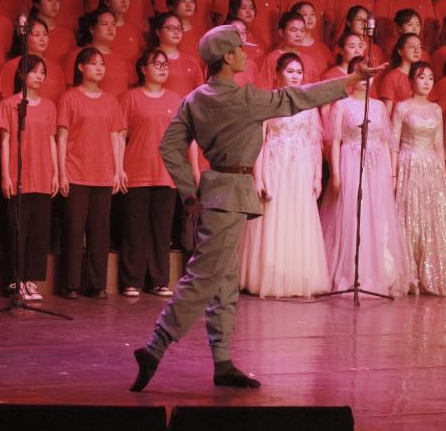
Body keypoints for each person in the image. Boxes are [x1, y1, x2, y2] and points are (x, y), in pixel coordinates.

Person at [130, 25, 383, 392]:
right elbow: (299, 97)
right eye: (239, 49)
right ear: (227, 57)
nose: (244, 54)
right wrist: (353, 79)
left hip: (215, 192)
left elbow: (170, 147)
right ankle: (154, 348)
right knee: (204, 278)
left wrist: (189, 191)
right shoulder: (244, 99)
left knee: (224, 281)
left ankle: (222, 362)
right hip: (231, 194)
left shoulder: (194, 99)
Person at [238, 54, 329, 297]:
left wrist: (317, 177)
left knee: (298, 218)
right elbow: (259, 141)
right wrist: (258, 176)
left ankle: (297, 276)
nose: (295, 76)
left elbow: (314, 142)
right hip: (275, 164)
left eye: (299, 72)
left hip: (301, 167)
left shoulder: (309, 105)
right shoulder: (268, 102)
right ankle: (270, 275)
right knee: (274, 217)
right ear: (278, 74)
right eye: (290, 71)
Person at [322, 57, 407, 296]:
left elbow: (385, 141)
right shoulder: (342, 105)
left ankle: (377, 272)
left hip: (376, 165)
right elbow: (335, 141)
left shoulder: (378, 107)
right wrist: (336, 174)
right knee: (351, 214)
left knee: (375, 215)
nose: (365, 80)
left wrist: (390, 174)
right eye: (361, 74)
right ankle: (349, 273)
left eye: (369, 75)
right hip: (350, 161)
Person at [392, 61, 446, 295]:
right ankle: (410, 274)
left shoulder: (435, 109)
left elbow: (439, 144)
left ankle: (432, 272)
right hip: (409, 163)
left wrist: (444, 172)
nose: (426, 82)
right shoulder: (402, 107)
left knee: (433, 217)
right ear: (411, 81)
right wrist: (393, 173)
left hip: (432, 166)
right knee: (410, 216)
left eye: (430, 78)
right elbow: (393, 144)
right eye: (422, 77)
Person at [57, 48, 125, 299]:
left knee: (99, 231)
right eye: (93, 63)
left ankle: (97, 284)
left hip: (103, 173)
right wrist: (62, 172)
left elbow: (115, 137)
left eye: (102, 64)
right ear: (80, 67)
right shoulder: (70, 98)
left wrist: (118, 170)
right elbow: (62, 137)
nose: (99, 68)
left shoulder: (110, 101)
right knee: (74, 230)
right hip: (76, 171)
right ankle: (71, 283)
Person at [118, 50, 184, 298]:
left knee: (162, 230)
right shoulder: (130, 97)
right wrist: (119, 168)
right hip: (136, 170)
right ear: (143, 69)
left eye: (165, 64)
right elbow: (120, 136)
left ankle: (159, 281)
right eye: (157, 64)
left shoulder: (175, 99)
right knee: (134, 229)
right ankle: (131, 280)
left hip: (165, 172)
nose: (162, 68)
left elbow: (181, 138)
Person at [0, 56, 58, 302]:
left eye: (43, 72)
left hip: (42, 174)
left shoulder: (49, 106)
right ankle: (15, 279)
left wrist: (55, 172)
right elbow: (5, 141)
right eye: (34, 71)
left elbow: (52, 140)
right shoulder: (10, 104)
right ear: (22, 74)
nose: (39, 76)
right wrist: (5, 174)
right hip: (18, 173)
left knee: (38, 230)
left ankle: (30, 278)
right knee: (17, 229)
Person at [78, 8, 134, 97]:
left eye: (113, 24)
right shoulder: (79, 55)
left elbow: (130, 89)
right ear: (92, 29)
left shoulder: (122, 58)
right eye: (105, 24)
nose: (110, 28)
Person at [153, 13, 204, 97]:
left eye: (179, 28)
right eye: (171, 28)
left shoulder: (190, 60)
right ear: (158, 32)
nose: (176, 32)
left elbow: (199, 91)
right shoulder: (150, 59)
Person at [379, 33, 423, 111]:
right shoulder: (391, 77)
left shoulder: (424, 74)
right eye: (412, 46)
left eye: (419, 47)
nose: (417, 50)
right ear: (400, 51)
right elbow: (387, 112)